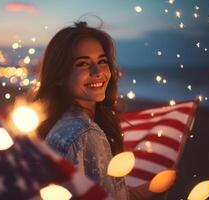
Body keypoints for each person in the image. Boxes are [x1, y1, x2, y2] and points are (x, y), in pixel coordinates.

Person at [34, 21, 154, 199]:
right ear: (59, 76)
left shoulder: (60, 124)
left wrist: (151, 189)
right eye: (82, 64)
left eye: (102, 61)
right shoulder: (85, 133)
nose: (97, 71)